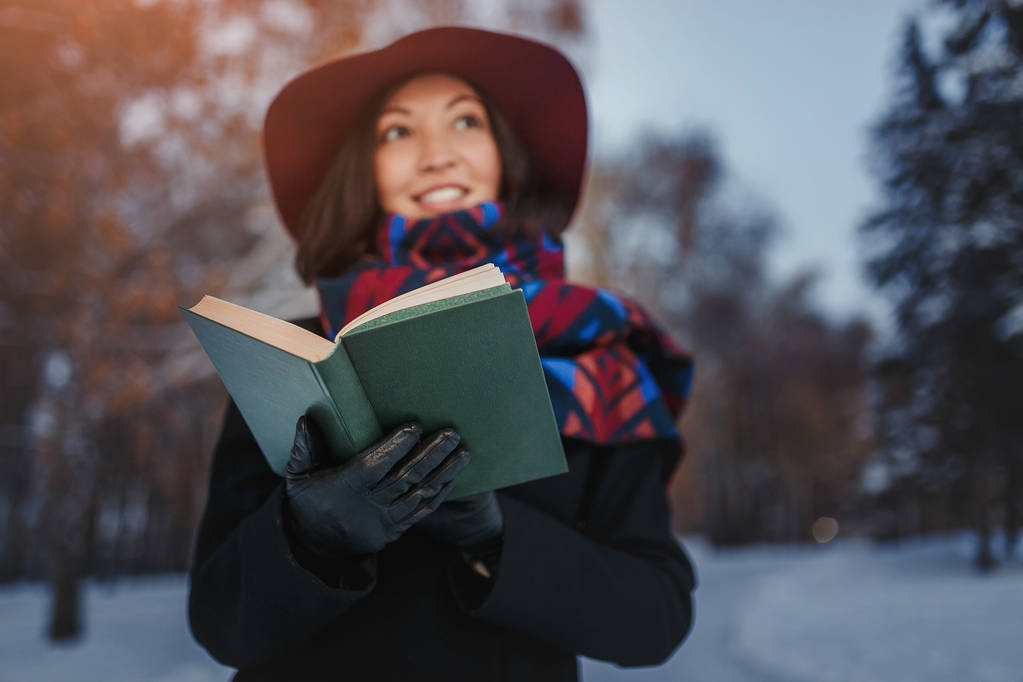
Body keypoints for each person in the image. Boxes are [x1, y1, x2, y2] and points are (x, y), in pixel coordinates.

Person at [188, 26, 696, 682]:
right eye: (397, 132)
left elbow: (653, 617)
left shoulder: (601, 360)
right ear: (361, 170)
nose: (436, 155)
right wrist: (311, 536)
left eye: (465, 122)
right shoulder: (294, 354)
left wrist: (494, 536)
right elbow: (219, 623)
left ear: (506, 153)